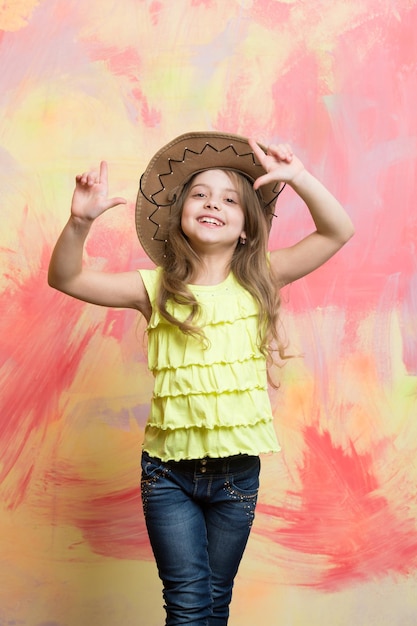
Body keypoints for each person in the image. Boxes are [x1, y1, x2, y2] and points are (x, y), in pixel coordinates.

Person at [48, 131, 354, 626]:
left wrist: (298, 176)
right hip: (168, 476)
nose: (214, 203)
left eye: (231, 199)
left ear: (248, 228)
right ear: (180, 217)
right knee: (189, 603)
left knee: (214, 602)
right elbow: (66, 278)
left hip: (237, 476)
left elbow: (337, 231)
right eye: (200, 195)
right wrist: (79, 222)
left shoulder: (261, 280)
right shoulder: (153, 288)